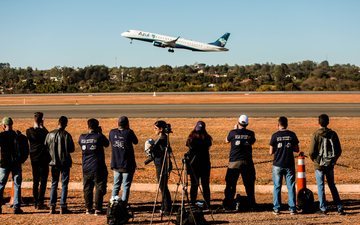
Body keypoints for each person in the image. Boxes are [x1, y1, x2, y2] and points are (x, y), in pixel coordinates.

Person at [309, 114, 344, 215]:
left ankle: (323, 208)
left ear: (318, 122)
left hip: (319, 165)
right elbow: (338, 150)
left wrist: (315, 160)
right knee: (332, 185)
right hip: (330, 164)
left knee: (321, 186)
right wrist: (334, 160)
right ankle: (339, 206)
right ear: (328, 122)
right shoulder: (333, 134)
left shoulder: (316, 134)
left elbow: (311, 151)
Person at [223, 115, 256, 211]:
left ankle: (228, 204)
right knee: (249, 184)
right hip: (247, 162)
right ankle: (252, 204)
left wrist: (234, 130)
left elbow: (226, 140)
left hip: (234, 162)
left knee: (230, 184)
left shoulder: (232, 133)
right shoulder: (251, 133)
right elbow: (252, 142)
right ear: (247, 124)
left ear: (238, 122)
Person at [79, 118, 109, 215]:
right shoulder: (99, 137)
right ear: (97, 127)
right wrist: (100, 133)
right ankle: (98, 208)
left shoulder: (82, 137)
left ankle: (88, 208)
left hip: (86, 167)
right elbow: (107, 143)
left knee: (87, 188)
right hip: (97, 166)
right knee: (99, 186)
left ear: (88, 126)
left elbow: (81, 143)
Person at [269, 116, 299, 215]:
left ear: (278, 125)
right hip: (289, 164)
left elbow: (270, 152)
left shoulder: (274, 135)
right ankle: (292, 208)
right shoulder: (292, 135)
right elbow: (296, 149)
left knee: (277, 186)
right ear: (287, 124)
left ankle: (277, 208)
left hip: (277, 164)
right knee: (291, 186)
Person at [45, 116, 75, 214]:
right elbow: (72, 149)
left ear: (58, 122)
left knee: (54, 184)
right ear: (65, 124)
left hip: (53, 163)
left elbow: (46, 146)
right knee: (64, 184)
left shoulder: (50, 134)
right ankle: (62, 206)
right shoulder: (67, 135)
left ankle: (52, 206)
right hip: (65, 162)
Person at [0, 117, 29, 214]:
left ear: (4, 126)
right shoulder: (18, 135)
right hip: (16, 163)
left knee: (1, 184)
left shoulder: (1, 136)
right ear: (11, 125)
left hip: (4, 164)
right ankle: (16, 207)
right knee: (17, 184)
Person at [109, 116, 138, 206]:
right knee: (125, 186)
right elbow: (135, 141)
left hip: (116, 164)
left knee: (116, 185)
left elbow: (110, 140)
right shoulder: (129, 132)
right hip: (127, 164)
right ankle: (123, 204)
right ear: (127, 124)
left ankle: (113, 203)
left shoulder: (112, 132)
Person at [185, 121, 212, 208]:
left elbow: (188, 145)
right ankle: (207, 203)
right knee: (205, 185)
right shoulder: (207, 138)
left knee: (194, 185)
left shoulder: (192, 138)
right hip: (205, 165)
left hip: (194, 165)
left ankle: (193, 203)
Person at [26, 112, 50, 209]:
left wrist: (37, 125)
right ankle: (40, 202)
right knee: (43, 181)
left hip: (34, 159)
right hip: (43, 159)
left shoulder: (29, 131)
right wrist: (42, 126)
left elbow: (32, 133)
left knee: (35, 181)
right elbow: (47, 136)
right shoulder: (44, 132)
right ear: (42, 120)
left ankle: (35, 202)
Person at [152, 120, 172, 215]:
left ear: (161, 129)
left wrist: (151, 149)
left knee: (163, 187)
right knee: (163, 187)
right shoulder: (163, 138)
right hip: (160, 164)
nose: (154, 130)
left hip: (162, 165)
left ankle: (167, 208)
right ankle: (165, 206)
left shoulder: (162, 139)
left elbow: (159, 153)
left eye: (156, 128)